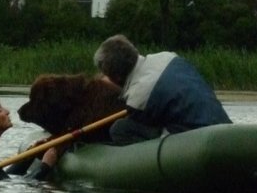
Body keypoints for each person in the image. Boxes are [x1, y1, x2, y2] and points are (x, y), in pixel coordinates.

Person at [93, 34, 231, 145]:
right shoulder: (168, 57)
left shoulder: (138, 98)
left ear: (116, 77)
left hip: (196, 139)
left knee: (119, 129)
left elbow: (141, 122)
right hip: (223, 125)